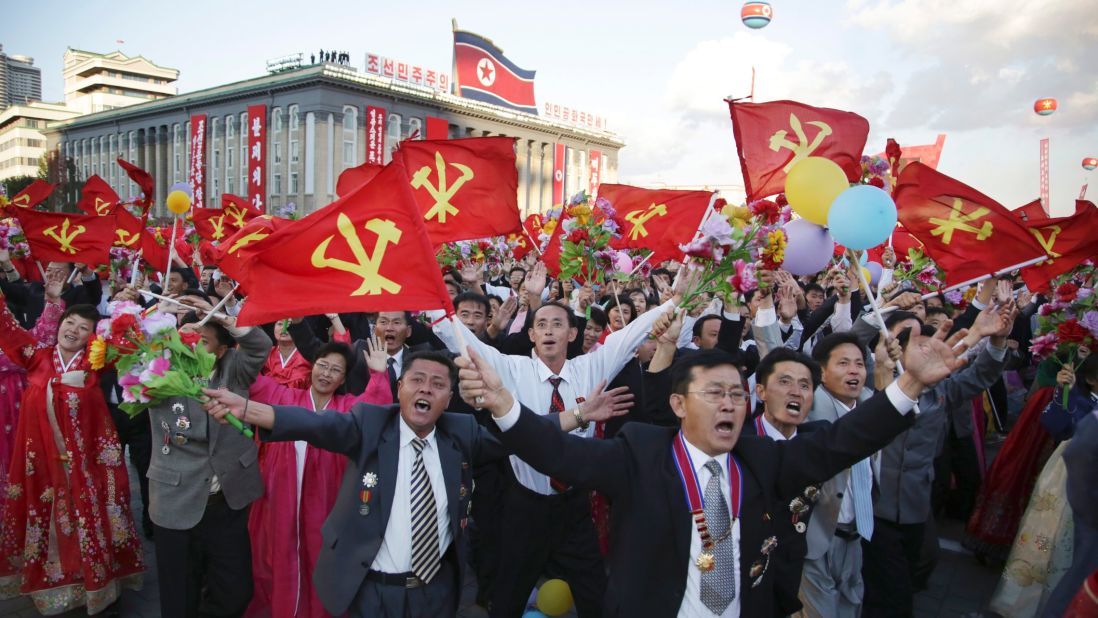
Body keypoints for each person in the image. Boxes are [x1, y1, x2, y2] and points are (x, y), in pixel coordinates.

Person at [455, 323, 970, 617]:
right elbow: (559, 454)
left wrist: (911, 385)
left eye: (736, 394)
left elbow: (842, 443)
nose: (730, 404)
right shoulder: (639, 454)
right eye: (715, 393)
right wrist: (504, 407)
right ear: (679, 405)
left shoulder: (764, 460)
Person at [202, 351, 588, 618]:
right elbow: (315, 425)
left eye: (437, 384)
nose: (425, 389)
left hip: (435, 590)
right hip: (369, 590)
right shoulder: (369, 424)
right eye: (416, 380)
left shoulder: (463, 432)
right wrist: (247, 408)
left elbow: (522, 435)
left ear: (449, 398)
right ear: (400, 387)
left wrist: (580, 413)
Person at [430, 282, 681, 617]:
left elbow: (634, 332)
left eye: (558, 324)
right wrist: (428, 296)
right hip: (524, 506)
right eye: (542, 325)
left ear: (573, 334)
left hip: (574, 507)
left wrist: (676, 301)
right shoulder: (509, 368)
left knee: (599, 599)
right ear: (531, 335)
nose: (549, 331)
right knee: (507, 600)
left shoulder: (591, 367)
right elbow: (456, 335)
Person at [0, 299, 143, 615]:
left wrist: (126, 314)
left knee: (90, 518)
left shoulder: (96, 363)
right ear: (60, 324)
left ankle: (97, 583)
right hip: (44, 466)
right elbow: (7, 328)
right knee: (47, 518)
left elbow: (134, 346)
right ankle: (55, 585)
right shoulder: (36, 359)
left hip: (86, 466)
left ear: (92, 337)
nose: (74, 331)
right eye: (70, 323)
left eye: (83, 328)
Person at [245, 338, 393, 618]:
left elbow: (376, 408)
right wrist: (242, 338)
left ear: (343, 379)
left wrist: (378, 374)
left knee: (320, 559)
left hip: (325, 499)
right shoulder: (285, 397)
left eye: (335, 370)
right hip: (281, 498)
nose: (326, 374)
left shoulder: (348, 407)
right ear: (312, 368)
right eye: (322, 366)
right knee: (277, 559)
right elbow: (252, 381)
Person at [146, 303, 271, 618]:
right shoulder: (161, 369)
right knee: (179, 596)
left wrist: (226, 319)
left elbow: (260, 346)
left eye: (203, 340)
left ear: (223, 349)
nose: (192, 344)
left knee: (235, 591)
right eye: (188, 337)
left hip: (226, 500)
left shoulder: (234, 368)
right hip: (176, 500)